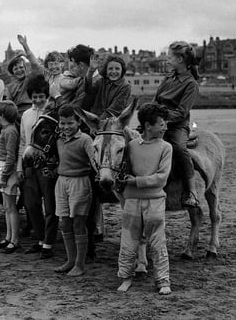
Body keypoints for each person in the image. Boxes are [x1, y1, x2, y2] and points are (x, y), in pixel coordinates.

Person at [117, 102, 172, 295]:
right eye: (162, 123)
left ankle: (163, 281)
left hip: (155, 201)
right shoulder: (130, 146)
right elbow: (121, 170)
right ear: (148, 126)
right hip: (131, 202)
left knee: (158, 243)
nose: (165, 126)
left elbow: (162, 177)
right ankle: (125, 277)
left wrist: (135, 181)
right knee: (128, 242)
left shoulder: (167, 147)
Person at [83, 54, 132, 241]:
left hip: (111, 125)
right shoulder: (101, 81)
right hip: (96, 124)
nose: (113, 72)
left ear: (122, 71)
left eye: (117, 69)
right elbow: (88, 89)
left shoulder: (125, 86)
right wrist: (90, 70)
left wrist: (95, 123)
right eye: (110, 68)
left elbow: (115, 109)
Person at [154, 41, 200, 208]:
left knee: (179, 149)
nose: (167, 59)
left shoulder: (191, 84)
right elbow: (156, 100)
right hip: (157, 121)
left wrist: (162, 121)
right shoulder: (168, 77)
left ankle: (191, 192)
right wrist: (149, 116)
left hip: (177, 125)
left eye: (170, 56)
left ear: (180, 59)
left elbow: (181, 112)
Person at [17, 74, 57, 259]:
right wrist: (19, 167)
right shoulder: (25, 115)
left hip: (46, 165)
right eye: (35, 97)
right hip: (29, 164)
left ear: (46, 95)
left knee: (50, 206)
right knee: (31, 204)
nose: (38, 100)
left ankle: (48, 243)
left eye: (42, 96)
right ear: (30, 97)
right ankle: (40, 239)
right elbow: (23, 142)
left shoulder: (52, 115)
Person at [54, 104, 94, 277]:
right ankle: (70, 260)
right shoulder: (58, 139)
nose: (66, 127)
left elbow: (94, 160)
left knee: (78, 223)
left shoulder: (85, 139)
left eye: (70, 123)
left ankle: (80, 264)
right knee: (64, 222)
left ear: (78, 122)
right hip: (61, 181)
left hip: (80, 182)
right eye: (62, 123)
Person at [0, 100, 21, 254]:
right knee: (7, 206)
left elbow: (10, 156)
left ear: (2, 115)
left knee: (10, 206)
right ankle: (9, 236)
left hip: (6, 169)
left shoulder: (10, 131)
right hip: (2, 167)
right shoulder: (5, 129)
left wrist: (4, 176)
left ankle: (14, 239)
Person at [4, 34, 45, 118]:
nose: (19, 70)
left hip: (34, 110)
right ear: (12, 72)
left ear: (25, 68)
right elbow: (9, 105)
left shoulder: (31, 78)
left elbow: (36, 65)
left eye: (21, 67)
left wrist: (25, 46)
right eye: (15, 69)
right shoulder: (9, 87)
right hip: (18, 115)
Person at [59, 44, 98, 109]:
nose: (72, 69)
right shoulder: (89, 79)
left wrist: (56, 96)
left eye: (74, 65)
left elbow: (72, 110)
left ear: (81, 65)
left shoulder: (89, 83)